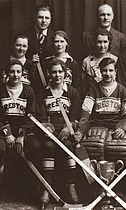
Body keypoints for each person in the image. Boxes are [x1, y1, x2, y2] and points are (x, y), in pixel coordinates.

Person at [75, 57, 126, 202]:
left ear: (116, 72)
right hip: (97, 124)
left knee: (123, 148)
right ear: (100, 72)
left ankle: (120, 189)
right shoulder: (94, 88)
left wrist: (122, 127)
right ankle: (94, 189)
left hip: (115, 125)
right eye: (104, 70)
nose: (107, 73)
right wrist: (81, 130)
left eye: (110, 70)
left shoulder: (122, 90)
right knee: (94, 146)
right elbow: (86, 111)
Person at [36, 58, 81, 206]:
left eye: (60, 72)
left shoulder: (72, 92)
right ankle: (46, 189)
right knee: (48, 147)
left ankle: (71, 186)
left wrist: (68, 128)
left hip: (65, 128)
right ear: (48, 73)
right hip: (49, 128)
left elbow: (74, 117)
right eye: (54, 72)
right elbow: (41, 116)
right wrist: (48, 128)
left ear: (65, 73)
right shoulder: (43, 92)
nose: (57, 75)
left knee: (68, 146)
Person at [0, 59, 37, 199]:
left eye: (18, 71)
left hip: (21, 131)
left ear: (22, 73)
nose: (15, 75)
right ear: (6, 73)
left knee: (35, 147)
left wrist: (22, 135)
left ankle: (32, 188)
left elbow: (31, 116)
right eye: (12, 71)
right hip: (2, 131)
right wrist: (7, 135)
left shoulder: (29, 91)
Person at [24, 4, 53, 88]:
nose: (44, 21)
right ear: (34, 18)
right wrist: (29, 61)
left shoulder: (55, 37)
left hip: (49, 81)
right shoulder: (25, 36)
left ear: (50, 20)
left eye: (47, 18)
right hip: (29, 80)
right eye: (40, 17)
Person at [82, 29, 117, 97]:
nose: (102, 45)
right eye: (99, 42)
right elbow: (84, 85)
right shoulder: (87, 61)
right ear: (94, 42)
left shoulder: (115, 60)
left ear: (109, 42)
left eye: (105, 42)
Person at [45, 30, 82, 95]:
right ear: (52, 44)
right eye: (56, 41)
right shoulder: (47, 62)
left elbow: (77, 84)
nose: (59, 44)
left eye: (62, 41)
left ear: (66, 43)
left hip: (69, 96)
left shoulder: (72, 63)